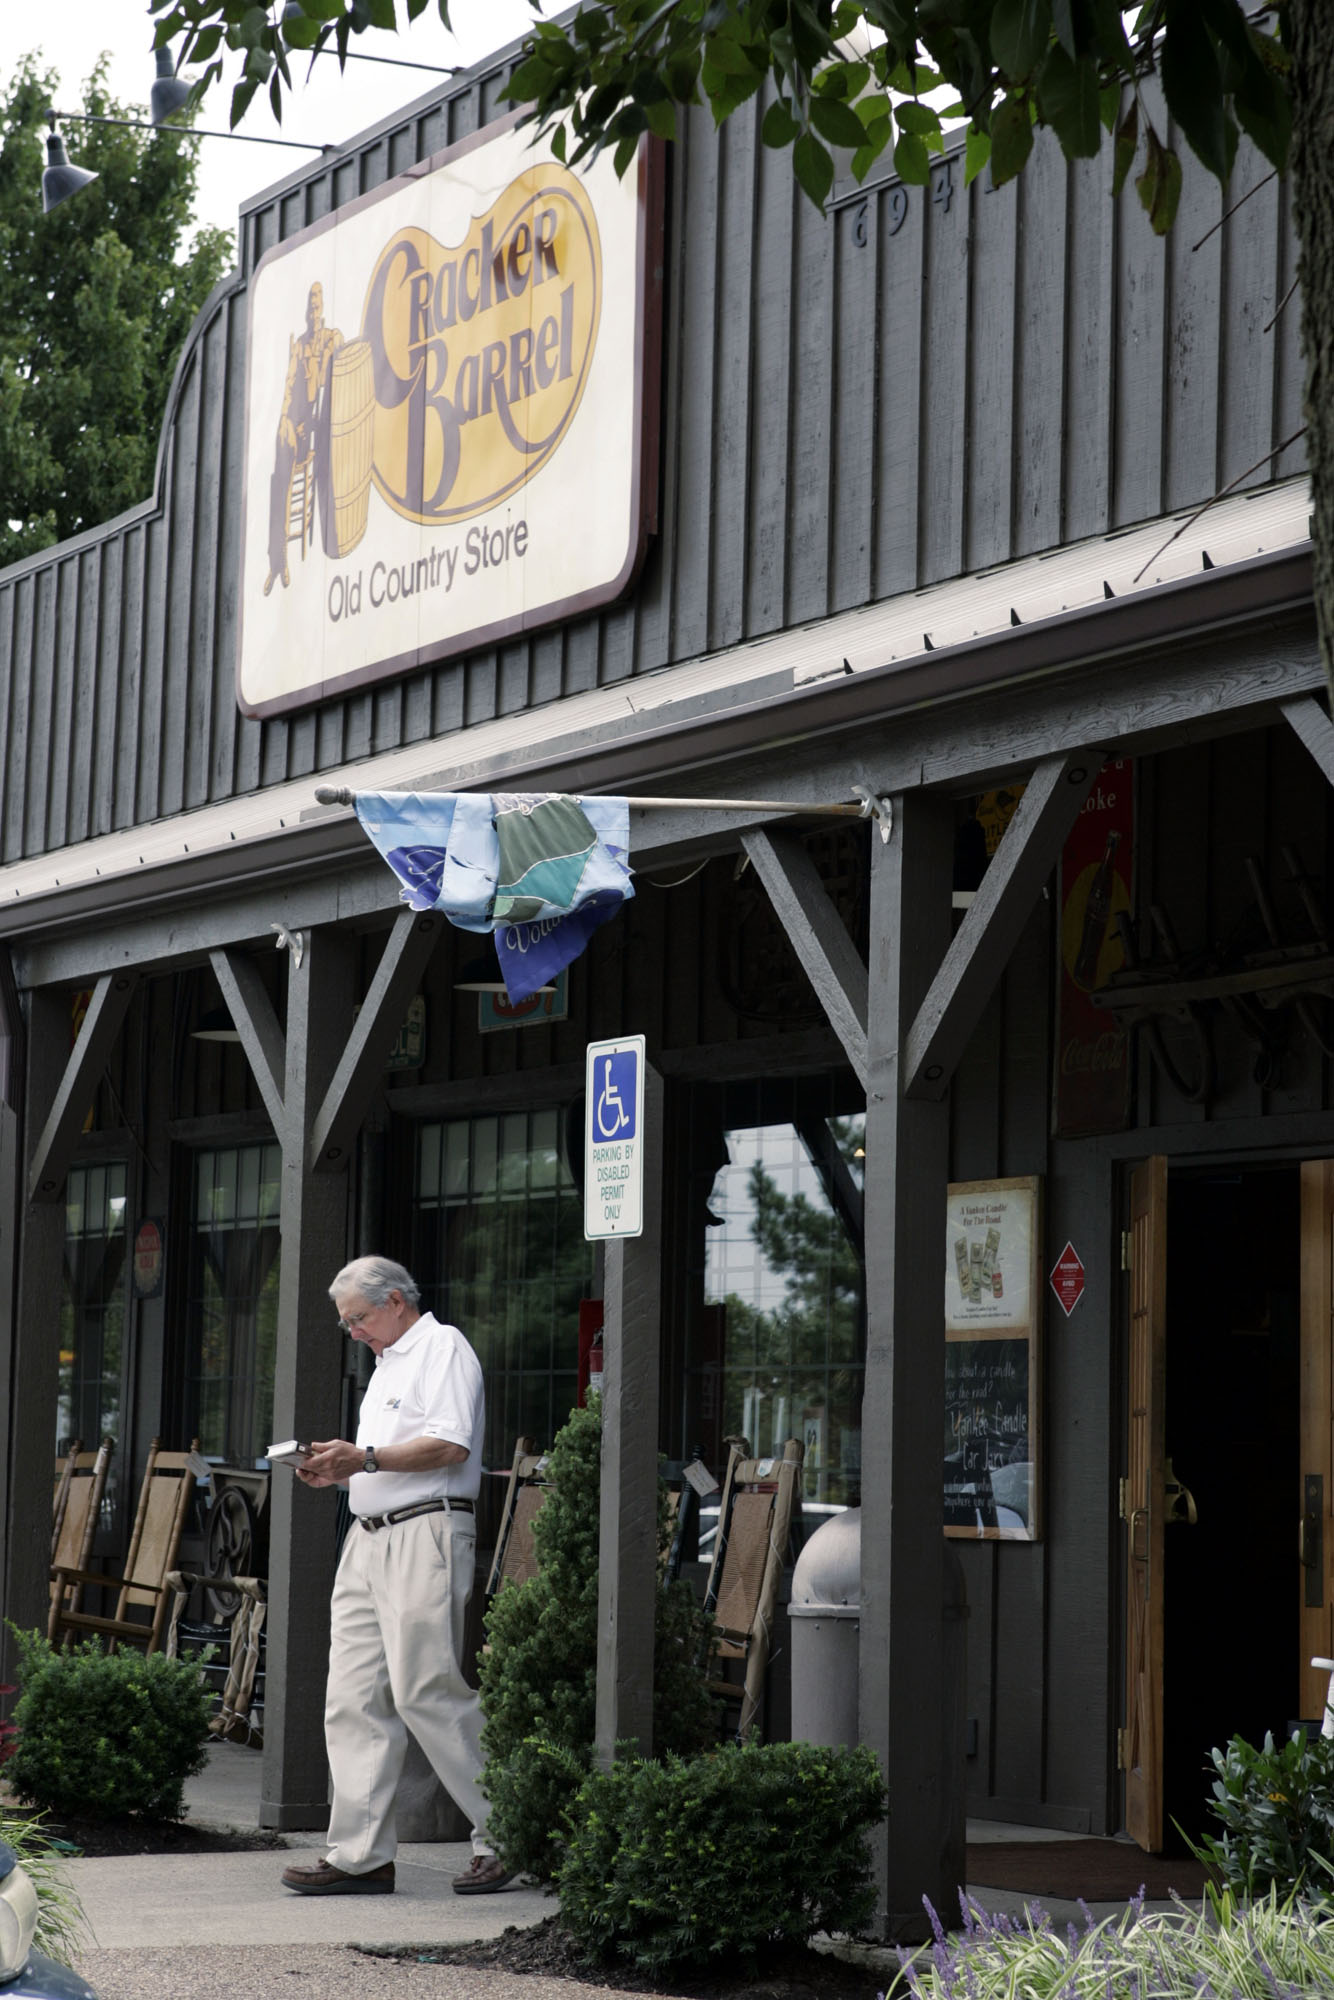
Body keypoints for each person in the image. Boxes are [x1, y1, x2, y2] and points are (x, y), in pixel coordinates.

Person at [279, 1255, 512, 1897]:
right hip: (368, 1538)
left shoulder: (444, 1348)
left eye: (357, 1318)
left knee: (426, 1692)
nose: (352, 1331)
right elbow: (381, 1462)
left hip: (425, 1532)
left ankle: (511, 1834)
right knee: (351, 1698)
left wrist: (366, 1457)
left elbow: (451, 1445)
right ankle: (360, 1856)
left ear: (395, 1303)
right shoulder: (386, 1365)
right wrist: (340, 1469)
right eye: (345, 1322)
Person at [263, 280, 342, 596]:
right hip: (298, 431)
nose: (313, 306)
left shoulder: (331, 339)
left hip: (321, 429)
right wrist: (286, 420)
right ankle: (277, 560)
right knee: (279, 474)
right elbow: (289, 386)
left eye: (317, 300)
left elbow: (334, 385)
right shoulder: (300, 346)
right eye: (310, 300)